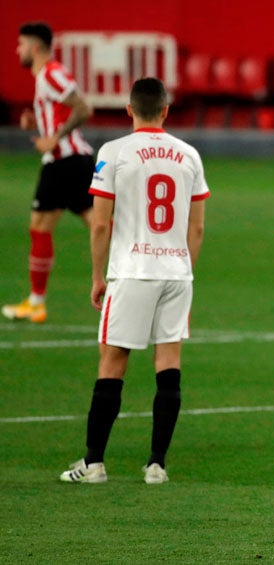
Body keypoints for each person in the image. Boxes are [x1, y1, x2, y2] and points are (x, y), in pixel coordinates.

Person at [59, 77, 210, 485]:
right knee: (169, 364)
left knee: (113, 362)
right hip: (177, 273)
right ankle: (156, 464)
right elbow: (196, 229)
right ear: (165, 110)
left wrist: (97, 276)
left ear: (129, 109)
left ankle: (93, 464)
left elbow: (100, 224)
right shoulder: (188, 155)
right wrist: (185, 269)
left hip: (131, 271)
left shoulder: (114, 153)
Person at [3, 22, 94, 323]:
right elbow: (64, 111)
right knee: (102, 227)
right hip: (74, 161)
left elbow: (83, 108)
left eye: (20, 44)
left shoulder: (50, 73)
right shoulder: (48, 75)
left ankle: (36, 303)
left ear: (35, 47)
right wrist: (39, 126)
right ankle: (145, 275)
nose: (17, 50)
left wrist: (54, 137)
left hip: (63, 162)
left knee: (40, 227)